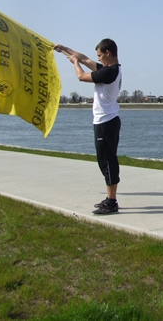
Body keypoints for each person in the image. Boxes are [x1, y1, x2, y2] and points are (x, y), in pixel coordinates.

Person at [54, 39, 122, 215]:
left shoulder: (110, 72)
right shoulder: (108, 69)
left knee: (107, 161)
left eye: (99, 55)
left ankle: (112, 202)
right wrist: (64, 49)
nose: (97, 58)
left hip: (106, 121)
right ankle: (110, 199)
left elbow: (81, 76)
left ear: (107, 53)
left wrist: (75, 63)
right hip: (105, 121)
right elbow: (84, 59)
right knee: (104, 160)